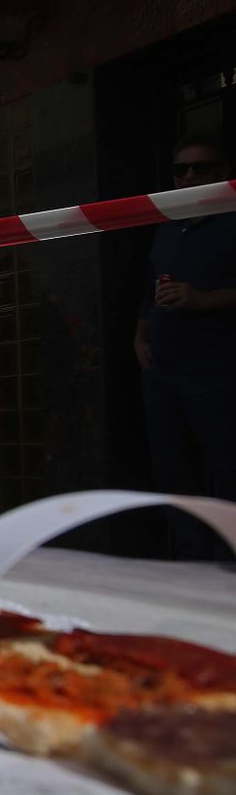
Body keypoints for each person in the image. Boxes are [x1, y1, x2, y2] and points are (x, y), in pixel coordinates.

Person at [134, 136, 236, 559]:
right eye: (182, 170)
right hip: (164, 366)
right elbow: (149, 287)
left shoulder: (231, 223)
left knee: (226, 465)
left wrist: (203, 299)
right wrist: (139, 336)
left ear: (223, 174)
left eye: (202, 168)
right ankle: (191, 562)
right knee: (173, 468)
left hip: (218, 365)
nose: (190, 177)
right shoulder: (168, 228)